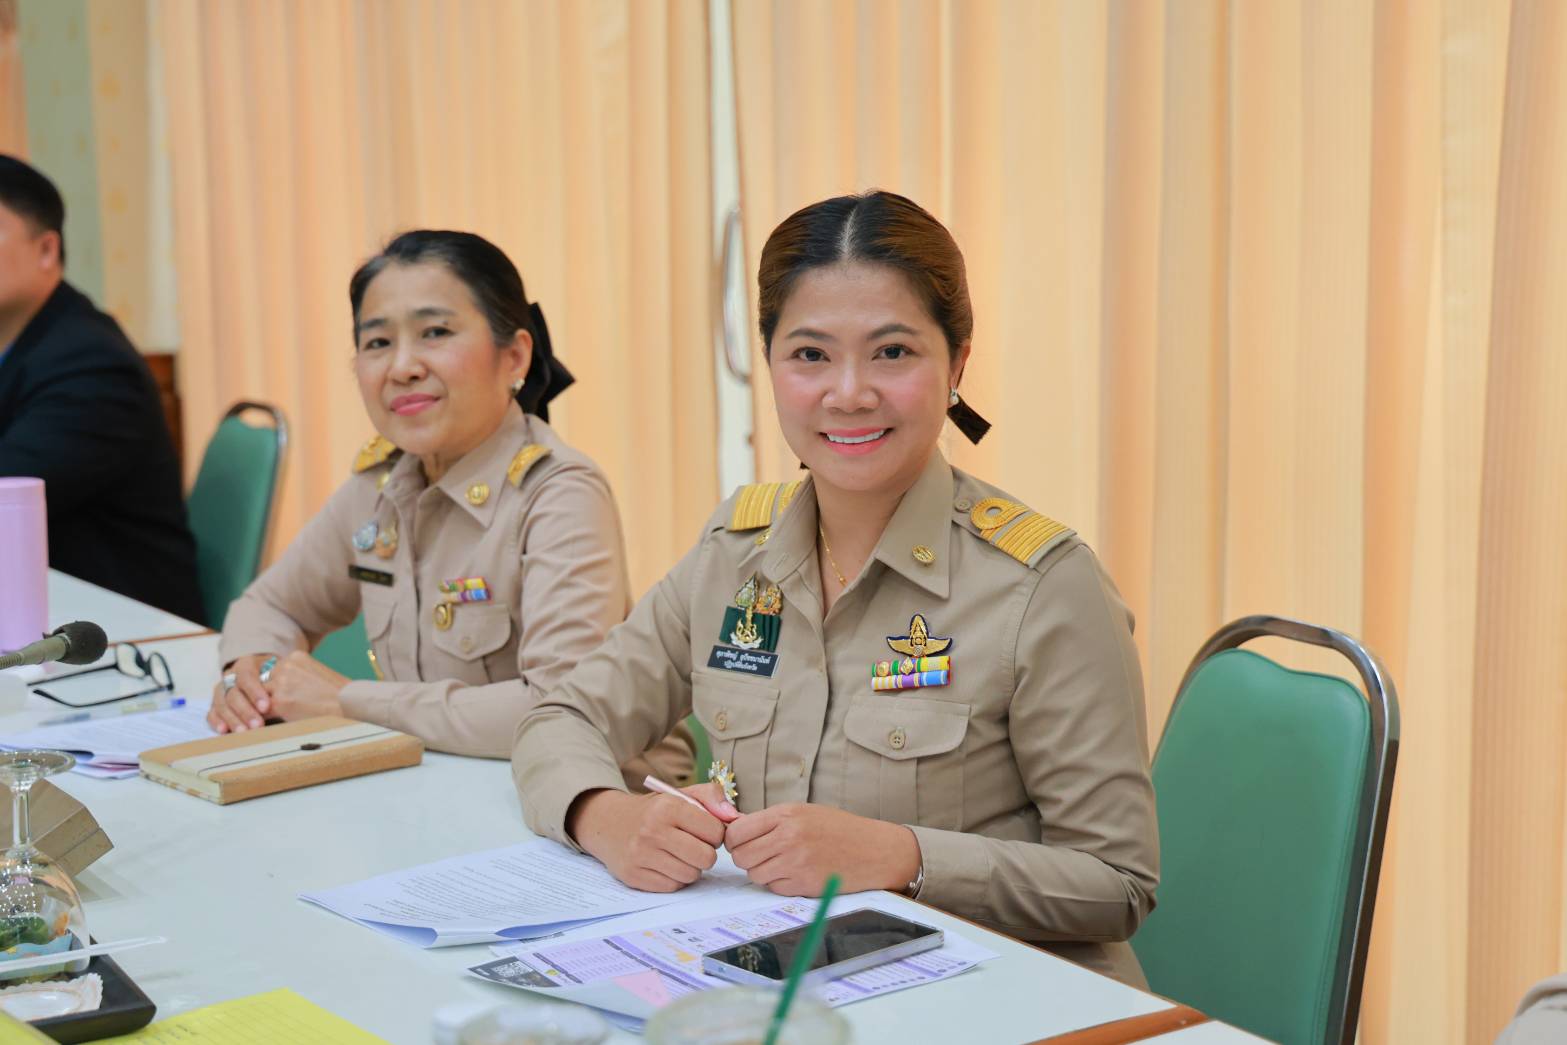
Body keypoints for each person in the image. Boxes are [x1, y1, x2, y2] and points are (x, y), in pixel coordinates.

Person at [511, 191, 1159, 985]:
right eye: (810, 354)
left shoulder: (1043, 586)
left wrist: (903, 857)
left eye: (892, 352)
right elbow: (562, 716)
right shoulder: (731, 554)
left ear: (956, 363)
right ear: (770, 364)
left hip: (998, 996)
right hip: (782, 985)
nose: (847, 392)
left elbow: (1115, 882)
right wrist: (601, 815)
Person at [211, 230, 691, 784]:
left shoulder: (559, 493)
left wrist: (349, 701)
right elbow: (273, 606)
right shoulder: (381, 484)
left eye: (435, 332)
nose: (403, 366)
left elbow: (559, 708)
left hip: (594, 812)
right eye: (377, 342)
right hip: (442, 786)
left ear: (513, 355)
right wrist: (249, 673)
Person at [0, 154, 203, 622]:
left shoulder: (89, 363)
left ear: (46, 250)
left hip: (121, 636)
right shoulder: (25, 344)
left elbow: (7, 500)